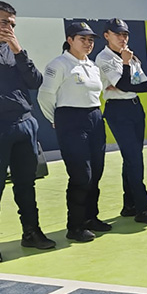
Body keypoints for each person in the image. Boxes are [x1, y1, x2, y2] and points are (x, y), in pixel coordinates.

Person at [0, 0, 54, 263]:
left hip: (24, 124)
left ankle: (31, 232)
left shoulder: (12, 49)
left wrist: (18, 50)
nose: (8, 28)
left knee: (26, 184)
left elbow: (34, 82)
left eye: (13, 24)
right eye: (3, 22)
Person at [38, 21, 109, 243]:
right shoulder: (59, 64)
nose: (88, 43)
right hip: (70, 120)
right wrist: (56, 119)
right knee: (81, 175)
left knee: (96, 171)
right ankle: (75, 226)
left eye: (90, 40)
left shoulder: (93, 66)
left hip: (94, 118)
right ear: (70, 40)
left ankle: (91, 218)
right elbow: (45, 96)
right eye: (82, 39)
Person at [96, 18, 147, 225]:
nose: (122, 38)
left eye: (125, 34)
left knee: (132, 157)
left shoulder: (131, 56)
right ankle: (143, 208)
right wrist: (125, 66)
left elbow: (144, 87)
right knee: (134, 159)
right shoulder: (104, 58)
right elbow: (125, 83)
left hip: (135, 108)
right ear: (107, 35)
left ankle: (129, 204)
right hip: (118, 111)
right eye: (118, 34)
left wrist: (125, 82)